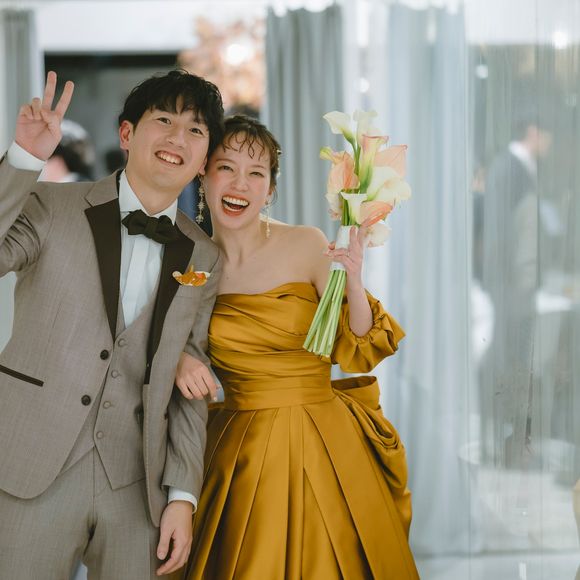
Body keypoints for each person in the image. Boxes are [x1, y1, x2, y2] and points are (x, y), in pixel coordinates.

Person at [173, 115, 419, 579]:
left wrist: (355, 282)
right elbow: (159, 344)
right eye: (226, 168)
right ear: (203, 175)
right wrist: (178, 358)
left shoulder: (306, 243)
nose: (240, 184)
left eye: (256, 173)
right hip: (241, 448)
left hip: (326, 438)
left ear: (269, 190)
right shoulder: (189, 263)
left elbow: (357, 349)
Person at [0, 69, 223, 579]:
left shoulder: (205, 254)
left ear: (203, 158)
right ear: (127, 134)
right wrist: (24, 159)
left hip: (136, 486)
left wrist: (182, 495)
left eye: (194, 129)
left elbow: (192, 384)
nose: (177, 138)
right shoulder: (52, 205)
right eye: (163, 120)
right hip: (31, 464)